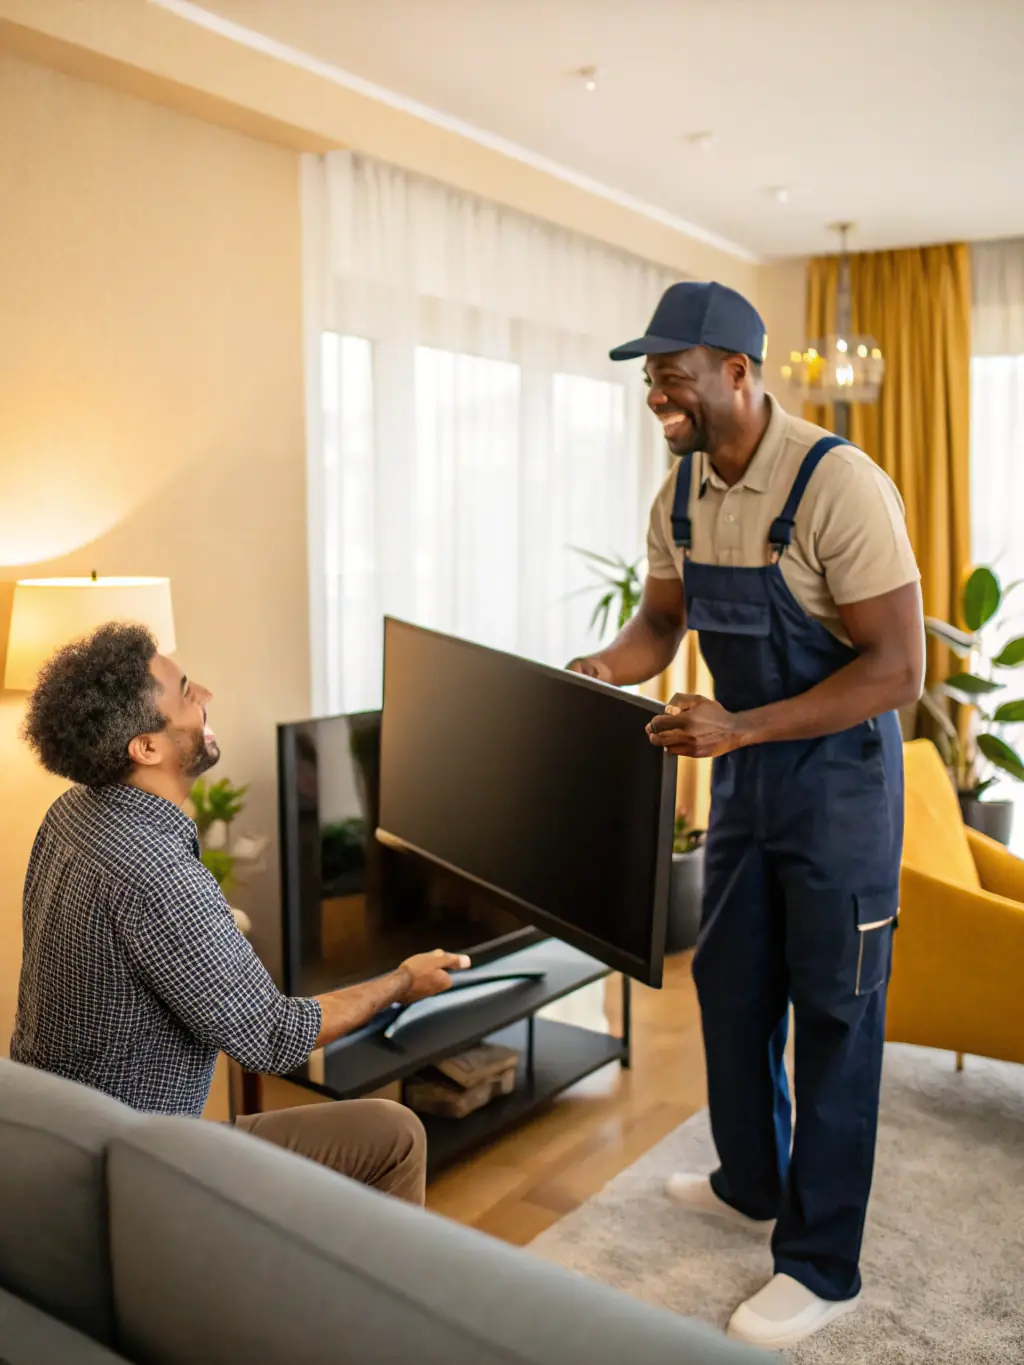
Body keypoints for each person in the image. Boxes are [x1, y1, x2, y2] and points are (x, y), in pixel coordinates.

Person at [569, 282, 924, 1348]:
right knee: (729, 988)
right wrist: (604, 666)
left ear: (736, 369)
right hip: (746, 785)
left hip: (841, 792)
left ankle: (821, 1266)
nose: (655, 395)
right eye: (648, 378)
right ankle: (750, 1184)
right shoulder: (678, 494)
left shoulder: (835, 485)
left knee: (833, 1018)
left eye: (670, 373)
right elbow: (659, 621)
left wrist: (740, 730)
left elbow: (898, 670)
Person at [11, 622, 470, 1205]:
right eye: (184, 692)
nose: (205, 694)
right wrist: (403, 981)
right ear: (146, 747)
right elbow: (273, 1037)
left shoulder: (72, 814)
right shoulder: (158, 875)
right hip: (133, 1171)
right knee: (396, 1135)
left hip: (55, 1142)